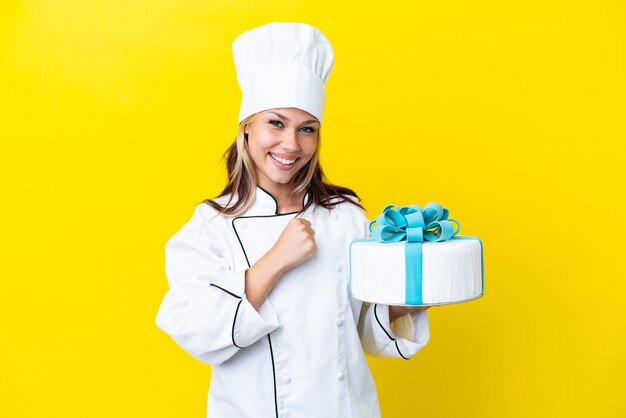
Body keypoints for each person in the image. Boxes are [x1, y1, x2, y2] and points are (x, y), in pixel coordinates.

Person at [155, 22, 431, 418]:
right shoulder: (209, 228)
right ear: (247, 127)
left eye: (307, 129)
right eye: (276, 123)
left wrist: (414, 297)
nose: (291, 145)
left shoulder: (346, 217)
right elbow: (197, 330)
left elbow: (363, 331)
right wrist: (277, 258)